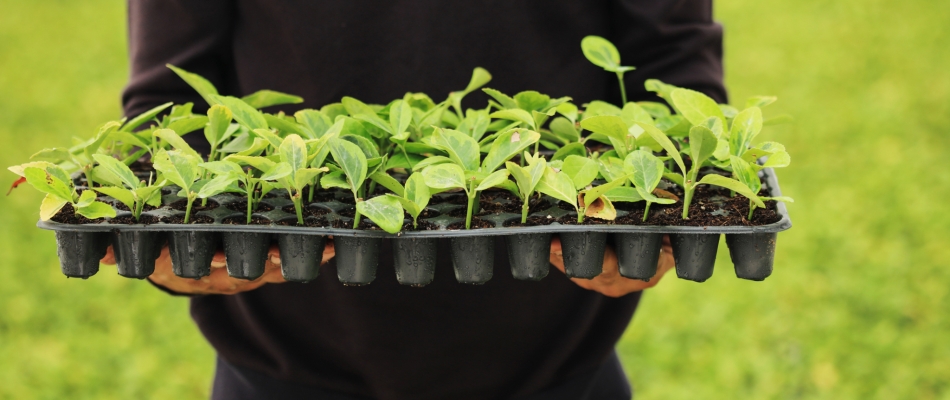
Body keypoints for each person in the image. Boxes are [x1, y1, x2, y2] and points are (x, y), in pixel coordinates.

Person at [108, 1, 726, 398]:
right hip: (284, 357)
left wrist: (670, 207)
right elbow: (168, 99)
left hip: (557, 356)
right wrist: (172, 234)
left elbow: (674, 63)